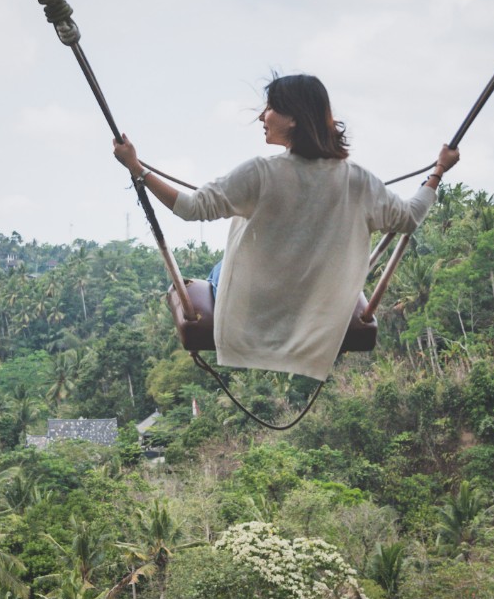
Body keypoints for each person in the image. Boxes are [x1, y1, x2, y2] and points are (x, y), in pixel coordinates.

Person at [112, 73, 459, 380]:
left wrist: (137, 168)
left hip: (256, 306)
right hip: (316, 306)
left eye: (270, 108)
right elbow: (410, 217)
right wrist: (438, 172)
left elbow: (191, 208)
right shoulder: (358, 182)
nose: (263, 116)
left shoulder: (261, 173)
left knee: (219, 269)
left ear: (293, 117)